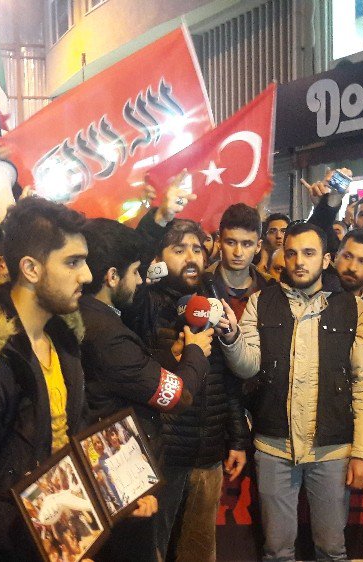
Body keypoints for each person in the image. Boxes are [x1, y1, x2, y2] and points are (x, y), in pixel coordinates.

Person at [0, 198, 130, 560]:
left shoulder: (63, 339)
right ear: (31, 268)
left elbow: (67, 444)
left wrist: (115, 490)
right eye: (73, 262)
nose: (88, 275)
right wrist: (42, 540)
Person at [220, 221, 363, 562]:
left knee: (332, 549)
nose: (299, 262)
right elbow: (248, 366)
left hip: (332, 448)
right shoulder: (260, 302)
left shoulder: (352, 307)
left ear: (326, 260)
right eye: (291, 253)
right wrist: (232, 337)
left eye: (309, 253)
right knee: (277, 550)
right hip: (274, 445)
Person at [78, 218, 209, 561]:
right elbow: (175, 395)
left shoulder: (95, 319)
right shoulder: (107, 333)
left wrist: (169, 356)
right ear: (111, 277)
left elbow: (129, 370)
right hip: (118, 476)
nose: (139, 281)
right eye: (135, 272)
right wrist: (196, 351)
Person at [123, 218, 250, 562]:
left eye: (196, 248)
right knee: (155, 549)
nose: (190, 257)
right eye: (178, 249)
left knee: (198, 551)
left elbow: (226, 379)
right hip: (165, 455)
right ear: (159, 258)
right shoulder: (145, 303)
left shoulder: (211, 299)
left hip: (207, 452)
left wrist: (237, 438)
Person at [208, 203, 274, 320]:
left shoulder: (270, 288)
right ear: (218, 242)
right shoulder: (201, 284)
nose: (238, 252)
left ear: (258, 246)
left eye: (246, 244)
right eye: (231, 243)